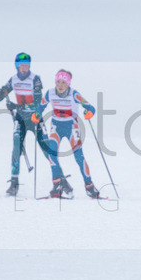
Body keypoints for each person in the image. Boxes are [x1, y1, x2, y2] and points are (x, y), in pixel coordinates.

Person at [0, 52, 65, 197]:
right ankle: (14, 183)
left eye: (26, 66)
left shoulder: (35, 79)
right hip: (20, 119)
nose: (24, 69)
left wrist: (17, 106)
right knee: (16, 147)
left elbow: (37, 101)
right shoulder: (13, 80)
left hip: (35, 117)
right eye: (21, 66)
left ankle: (61, 180)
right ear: (17, 67)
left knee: (46, 149)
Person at [42, 69, 100, 199]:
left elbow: (90, 107)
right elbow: (40, 106)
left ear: (68, 84)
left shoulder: (74, 94)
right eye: (58, 82)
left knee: (79, 157)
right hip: (56, 126)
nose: (60, 85)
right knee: (52, 154)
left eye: (64, 82)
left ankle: (89, 187)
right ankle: (57, 186)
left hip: (71, 127)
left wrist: (89, 113)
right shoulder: (50, 93)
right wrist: (36, 114)